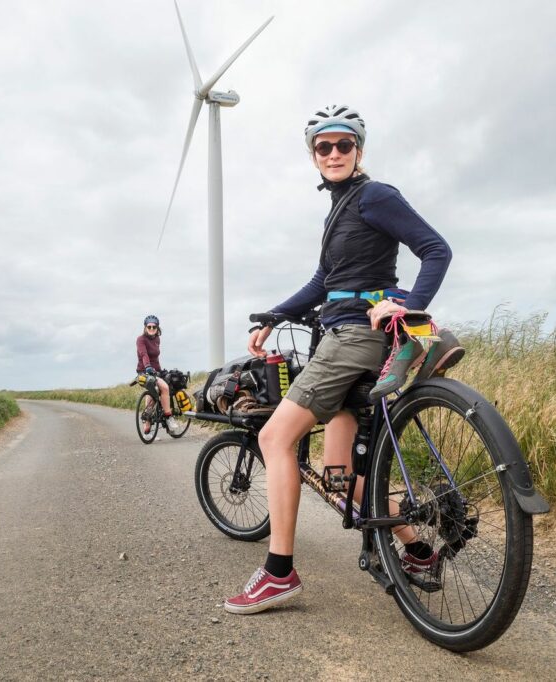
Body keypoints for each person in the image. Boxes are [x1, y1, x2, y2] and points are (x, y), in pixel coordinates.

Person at [224, 104, 461, 615]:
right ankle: (419, 546)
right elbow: (322, 284)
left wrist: (410, 303)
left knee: (273, 436)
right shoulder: (340, 209)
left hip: (353, 339)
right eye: (323, 147)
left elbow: (436, 249)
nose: (333, 153)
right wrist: (274, 314)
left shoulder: (375, 195)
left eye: (343, 145)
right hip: (347, 335)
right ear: (313, 156)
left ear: (359, 151)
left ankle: (278, 573)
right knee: (341, 478)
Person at [135, 314, 172, 434]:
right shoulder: (141, 339)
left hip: (156, 370)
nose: (151, 329)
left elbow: (155, 357)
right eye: (149, 327)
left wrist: (160, 370)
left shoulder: (157, 339)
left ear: (157, 328)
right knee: (165, 388)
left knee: (151, 395)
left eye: (154, 327)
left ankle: (147, 425)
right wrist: (148, 367)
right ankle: (169, 417)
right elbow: (143, 354)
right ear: (145, 327)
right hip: (145, 371)